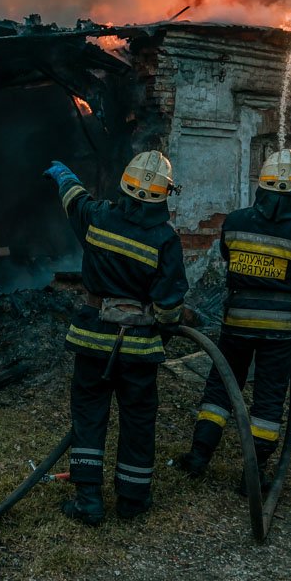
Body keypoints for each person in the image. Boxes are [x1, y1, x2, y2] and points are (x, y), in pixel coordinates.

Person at [177, 148, 291, 491]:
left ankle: (199, 456)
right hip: (279, 333)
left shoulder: (235, 221)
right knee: (268, 398)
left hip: (236, 325)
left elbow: (228, 257)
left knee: (221, 386)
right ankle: (253, 474)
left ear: (261, 184)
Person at [43, 151, 188, 525]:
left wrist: (63, 175)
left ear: (125, 184)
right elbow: (170, 307)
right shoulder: (165, 239)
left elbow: (74, 199)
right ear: (164, 194)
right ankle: (132, 499)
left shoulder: (98, 218)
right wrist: (163, 333)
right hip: (138, 349)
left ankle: (88, 501)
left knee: (89, 416)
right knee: (138, 420)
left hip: (93, 339)